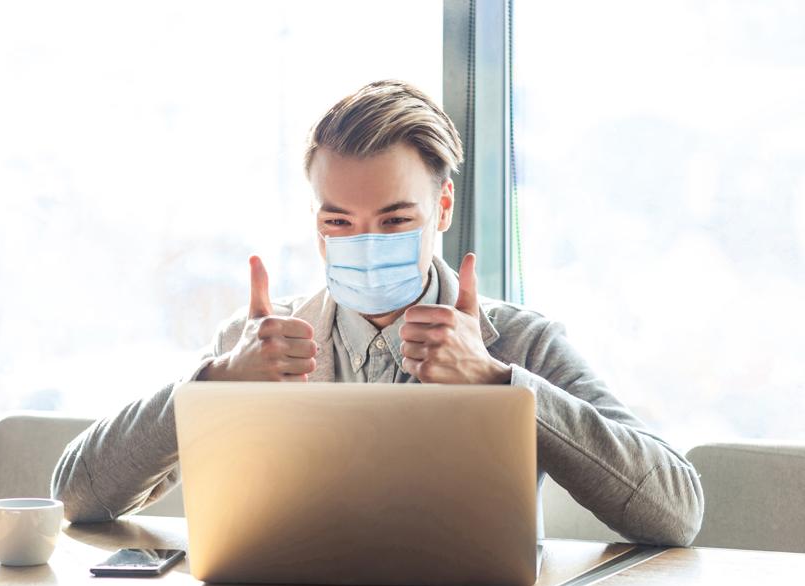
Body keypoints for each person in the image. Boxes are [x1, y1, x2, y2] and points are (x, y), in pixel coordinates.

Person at [52, 80, 703, 546]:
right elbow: (76, 496)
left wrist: (500, 386)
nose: (364, 245)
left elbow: (676, 511)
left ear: (442, 209)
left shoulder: (519, 342)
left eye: (394, 221)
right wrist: (214, 384)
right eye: (338, 221)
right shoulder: (257, 344)